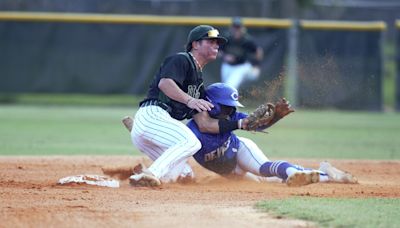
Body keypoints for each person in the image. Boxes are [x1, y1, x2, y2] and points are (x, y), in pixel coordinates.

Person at [124, 83, 357, 186]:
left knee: (263, 168)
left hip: (239, 152)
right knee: (272, 182)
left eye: (231, 106)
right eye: (225, 106)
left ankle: (313, 174)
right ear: (210, 104)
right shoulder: (190, 132)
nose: (231, 110)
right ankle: (322, 173)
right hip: (231, 174)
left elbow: (254, 125)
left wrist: (276, 117)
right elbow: (173, 155)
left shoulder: (232, 118)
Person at [127, 25, 236, 187]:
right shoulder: (182, 59)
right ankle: (151, 173)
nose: (216, 45)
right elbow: (165, 83)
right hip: (153, 115)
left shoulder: (198, 83)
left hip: (153, 130)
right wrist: (190, 100)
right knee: (191, 142)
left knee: (183, 175)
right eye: (211, 41)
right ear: (195, 44)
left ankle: (141, 175)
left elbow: (205, 124)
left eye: (217, 42)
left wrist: (241, 123)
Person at [220, 17, 264, 90]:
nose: (237, 30)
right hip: (227, 66)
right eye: (235, 27)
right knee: (226, 87)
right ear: (231, 28)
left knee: (230, 86)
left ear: (242, 28)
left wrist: (257, 65)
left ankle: (251, 72)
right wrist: (225, 56)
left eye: (238, 27)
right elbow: (219, 51)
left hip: (241, 66)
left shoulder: (246, 40)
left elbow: (258, 51)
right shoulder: (227, 38)